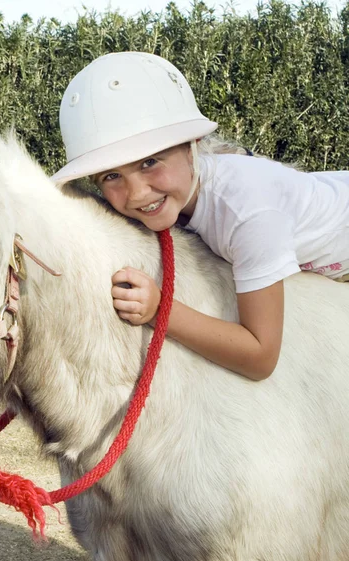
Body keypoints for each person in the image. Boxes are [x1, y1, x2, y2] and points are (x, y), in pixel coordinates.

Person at [51, 52, 349, 381]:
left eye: (149, 162)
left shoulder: (248, 213)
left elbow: (261, 357)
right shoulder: (183, 194)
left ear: (193, 144)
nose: (136, 193)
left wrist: (159, 309)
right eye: (110, 176)